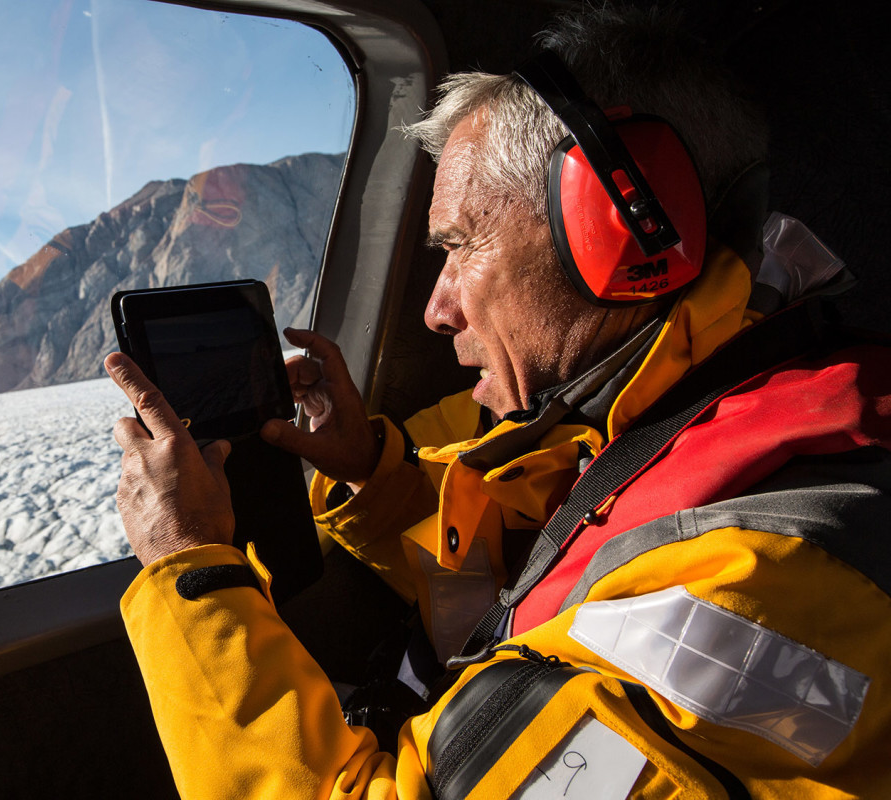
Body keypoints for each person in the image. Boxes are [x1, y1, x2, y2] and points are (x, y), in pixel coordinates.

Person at [105, 7, 891, 799]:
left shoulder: (747, 580)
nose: (436, 310)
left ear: (613, 227)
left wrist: (189, 570)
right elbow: (530, 585)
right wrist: (374, 482)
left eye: (457, 246)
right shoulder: (674, 424)